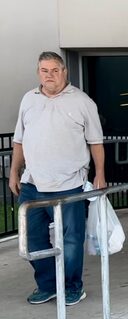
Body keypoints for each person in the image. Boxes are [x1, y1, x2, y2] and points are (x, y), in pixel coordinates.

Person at [9, 51, 106, 305]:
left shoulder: (82, 102)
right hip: (32, 183)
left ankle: (73, 286)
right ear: (38, 72)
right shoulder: (29, 100)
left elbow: (96, 142)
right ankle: (48, 285)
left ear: (64, 72)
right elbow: (19, 140)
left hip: (69, 184)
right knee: (32, 238)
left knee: (72, 240)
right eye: (44, 71)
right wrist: (14, 172)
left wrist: (100, 176)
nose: (49, 75)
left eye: (54, 70)